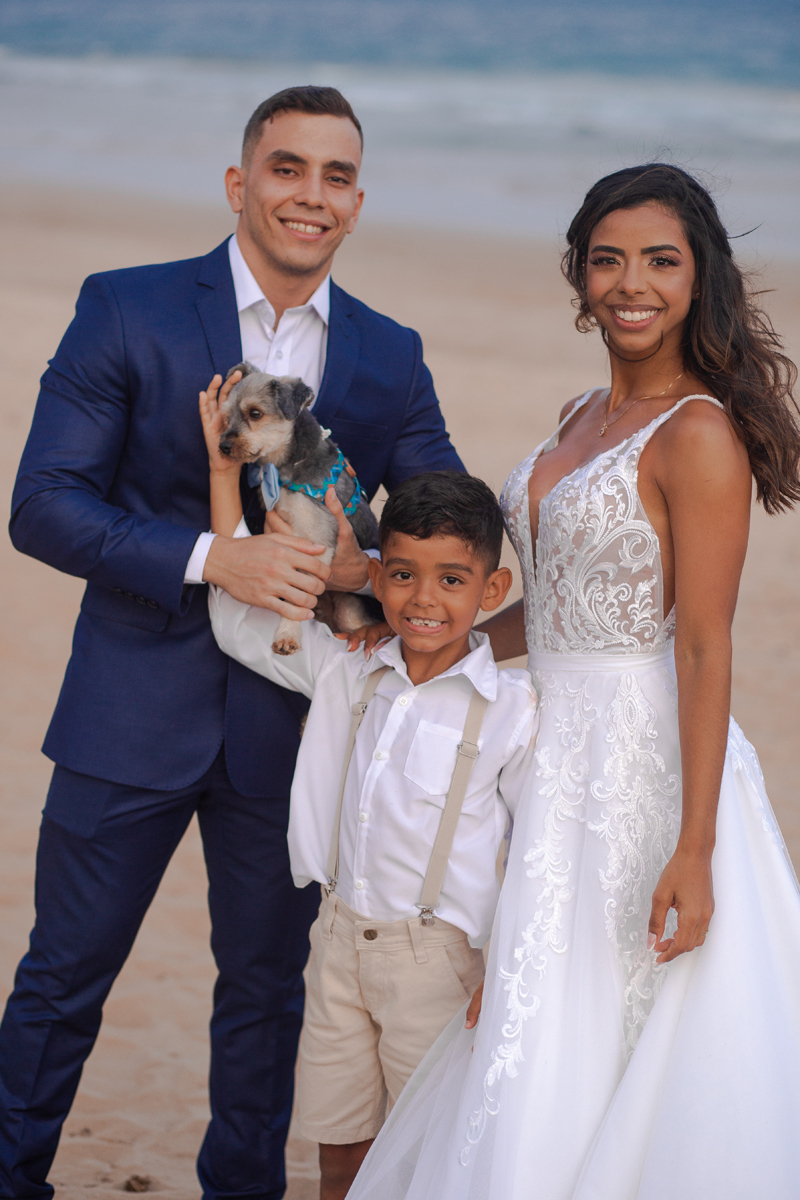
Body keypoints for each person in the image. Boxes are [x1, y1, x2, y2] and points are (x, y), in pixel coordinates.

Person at [0, 86, 462, 1200]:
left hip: (290, 728)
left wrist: (360, 571)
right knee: (62, 979)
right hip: (129, 709)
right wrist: (216, 559)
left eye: (336, 176)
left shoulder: (390, 354)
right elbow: (43, 505)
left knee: (264, 999)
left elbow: (442, 521)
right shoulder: (128, 308)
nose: (311, 194)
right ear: (238, 183)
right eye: (287, 167)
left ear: (357, 203)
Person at [345, 164, 800, 1200]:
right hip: (547, 755)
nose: (630, 284)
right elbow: (551, 612)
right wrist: (430, 643)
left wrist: (694, 846)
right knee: (535, 1006)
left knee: (623, 1009)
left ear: (698, 278)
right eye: (607, 260)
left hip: (640, 764)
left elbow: (703, 644)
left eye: (659, 261)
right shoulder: (577, 412)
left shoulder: (699, 435)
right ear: (578, 277)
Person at [200, 429, 538, 1200]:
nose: (424, 599)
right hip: (337, 941)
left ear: (492, 590)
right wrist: (224, 478)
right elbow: (230, 616)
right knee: (340, 1147)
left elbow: (535, 851)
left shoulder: (514, 711)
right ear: (376, 577)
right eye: (404, 575)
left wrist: (507, 969)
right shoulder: (344, 669)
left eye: (452, 580)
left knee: (427, 1154)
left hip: (439, 961)